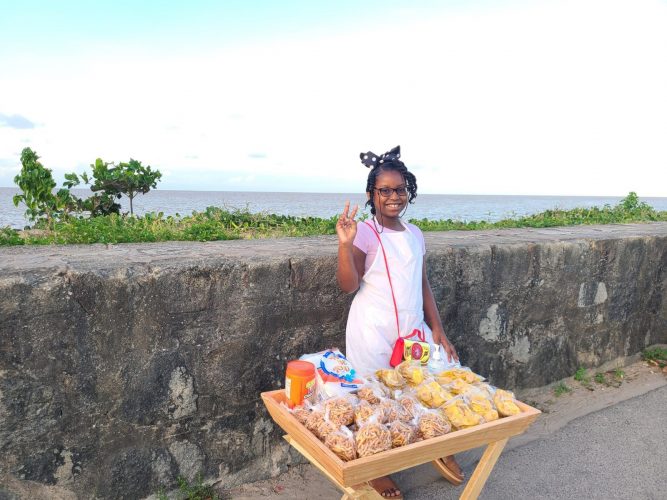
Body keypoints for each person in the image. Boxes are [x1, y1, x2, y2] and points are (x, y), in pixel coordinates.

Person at [335, 146, 464, 499]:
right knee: (376, 401)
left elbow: (421, 283)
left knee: (428, 388)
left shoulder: (415, 233)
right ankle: (378, 470)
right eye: (385, 190)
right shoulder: (363, 232)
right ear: (371, 195)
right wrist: (344, 246)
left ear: (409, 191)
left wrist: (438, 329)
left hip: (412, 331)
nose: (394, 197)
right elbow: (349, 285)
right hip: (372, 332)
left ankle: (438, 445)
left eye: (400, 189)